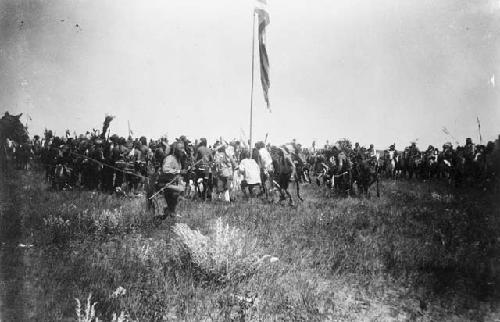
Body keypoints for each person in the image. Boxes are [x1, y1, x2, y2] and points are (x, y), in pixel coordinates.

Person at [160, 141, 187, 218]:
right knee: (178, 191)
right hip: (165, 183)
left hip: (173, 182)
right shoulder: (170, 158)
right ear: (175, 150)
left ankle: (170, 211)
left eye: (183, 148)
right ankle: (171, 211)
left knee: (183, 189)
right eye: (180, 148)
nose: (183, 150)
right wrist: (178, 171)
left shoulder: (178, 160)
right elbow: (165, 169)